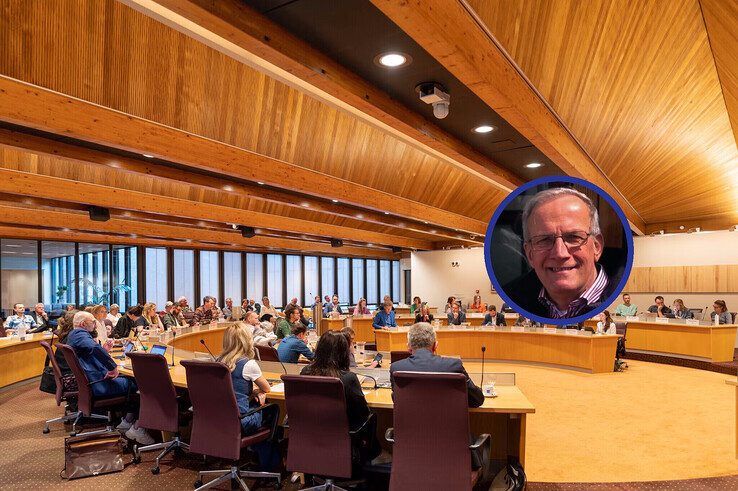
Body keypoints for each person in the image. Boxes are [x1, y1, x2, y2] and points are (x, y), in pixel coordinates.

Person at [505, 187, 617, 319]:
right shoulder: (515, 298)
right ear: (530, 254)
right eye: (545, 240)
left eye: (573, 237)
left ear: (597, 246)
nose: (560, 253)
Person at [67, 311, 154, 444]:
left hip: (92, 381)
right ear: (83, 324)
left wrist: (104, 350)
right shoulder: (80, 334)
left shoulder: (74, 335)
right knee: (143, 384)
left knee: (133, 380)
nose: (95, 325)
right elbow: (93, 348)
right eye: (93, 322)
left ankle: (127, 421)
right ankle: (138, 427)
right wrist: (112, 367)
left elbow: (91, 352)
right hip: (98, 384)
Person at [301, 331, 380, 464]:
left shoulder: (305, 372)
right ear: (344, 353)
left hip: (312, 437)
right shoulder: (348, 378)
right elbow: (363, 413)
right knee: (373, 416)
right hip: (345, 438)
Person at [216, 325, 280, 470]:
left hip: (219, 419)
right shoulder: (248, 364)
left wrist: (251, 391)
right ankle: (268, 464)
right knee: (273, 411)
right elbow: (267, 388)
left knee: (260, 408)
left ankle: (255, 455)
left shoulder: (218, 362)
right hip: (242, 420)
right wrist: (257, 391)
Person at [389, 323, 484, 407]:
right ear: (435, 346)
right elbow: (477, 400)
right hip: (448, 425)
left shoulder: (397, 368)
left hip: (410, 426)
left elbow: (397, 399)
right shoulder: (454, 366)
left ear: (408, 347)